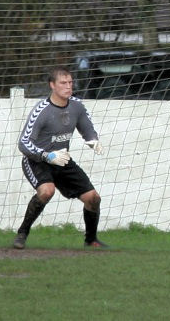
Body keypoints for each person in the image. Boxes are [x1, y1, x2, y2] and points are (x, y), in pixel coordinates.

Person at [13, 67, 107, 249]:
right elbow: (23, 143)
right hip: (38, 160)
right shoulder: (42, 110)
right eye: (63, 83)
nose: (68, 86)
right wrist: (46, 155)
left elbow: (86, 127)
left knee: (93, 198)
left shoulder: (76, 105)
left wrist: (93, 140)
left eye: (70, 82)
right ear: (52, 85)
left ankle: (91, 240)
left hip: (63, 160)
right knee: (47, 191)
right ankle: (22, 233)